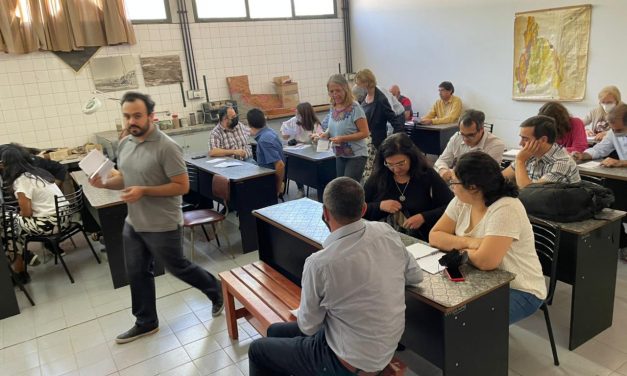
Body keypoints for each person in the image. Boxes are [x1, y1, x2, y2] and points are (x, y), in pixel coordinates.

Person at [248, 177, 423, 375]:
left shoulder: (320, 262)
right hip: (382, 346)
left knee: (257, 350)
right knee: (274, 331)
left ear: (325, 213)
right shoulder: (386, 232)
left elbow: (308, 327)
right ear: (364, 209)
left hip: (348, 362)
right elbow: (416, 276)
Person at [89, 92, 223, 344]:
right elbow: (124, 179)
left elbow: (182, 186)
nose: (131, 122)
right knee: (137, 272)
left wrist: (144, 191)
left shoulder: (167, 147)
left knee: (178, 267)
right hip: (134, 222)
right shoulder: (125, 143)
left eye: (137, 116)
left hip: (162, 223)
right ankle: (146, 321)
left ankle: (216, 290)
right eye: (127, 116)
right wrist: (104, 182)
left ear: (151, 116)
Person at [430, 151, 547, 324]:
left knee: (463, 322)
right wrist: (471, 243)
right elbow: (435, 236)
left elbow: (486, 261)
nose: (452, 186)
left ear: (473, 187)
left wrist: (458, 250)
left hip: (519, 288)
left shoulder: (506, 208)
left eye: (455, 182)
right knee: (436, 307)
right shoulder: (461, 200)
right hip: (481, 279)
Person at [364, 133, 453, 241]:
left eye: (401, 163)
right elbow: (359, 209)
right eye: (390, 164)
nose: (396, 170)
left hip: (422, 238)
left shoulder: (426, 174)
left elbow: (451, 206)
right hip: (383, 237)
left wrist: (424, 217)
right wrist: (379, 206)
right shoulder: (379, 176)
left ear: (411, 157)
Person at [0, 146, 65, 283]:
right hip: (63, 218)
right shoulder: (37, 172)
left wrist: (17, 215)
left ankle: (19, 269)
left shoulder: (22, 180)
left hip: (50, 223)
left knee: (6, 223)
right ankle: (23, 262)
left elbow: (27, 213)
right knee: (13, 227)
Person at [314, 74, 370, 182]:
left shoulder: (355, 107)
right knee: (340, 187)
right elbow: (333, 127)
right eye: (331, 91)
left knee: (348, 188)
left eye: (338, 90)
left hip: (356, 156)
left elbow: (365, 133)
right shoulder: (333, 106)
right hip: (340, 154)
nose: (335, 94)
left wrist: (343, 138)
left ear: (345, 89)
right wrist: (326, 134)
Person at [502, 115, 580, 188]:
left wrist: (520, 161)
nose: (520, 143)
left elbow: (528, 192)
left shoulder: (562, 163)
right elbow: (500, 179)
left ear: (543, 140)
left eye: (525, 139)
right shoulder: (530, 154)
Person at [354, 69, 403, 181]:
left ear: (366, 82)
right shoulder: (365, 96)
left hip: (375, 143)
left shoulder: (381, 99)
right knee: (366, 174)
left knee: (369, 176)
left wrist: (393, 143)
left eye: (358, 83)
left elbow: (396, 123)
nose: (357, 86)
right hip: (365, 142)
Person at [434, 109, 505, 182]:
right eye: (462, 134)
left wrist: (454, 174)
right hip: (455, 183)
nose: (465, 139)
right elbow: (442, 160)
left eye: (470, 135)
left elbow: (485, 175)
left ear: (481, 130)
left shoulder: (496, 145)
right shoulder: (457, 137)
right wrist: (443, 170)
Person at [280, 102, 323, 198]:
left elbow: (320, 138)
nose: (297, 116)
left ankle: (313, 184)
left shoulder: (315, 124)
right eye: (297, 113)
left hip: (312, 150)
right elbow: (284, 133)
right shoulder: (295, 121)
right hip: (299, 149)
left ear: (305, 114)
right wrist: (286, 133)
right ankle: (300, 188)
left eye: (299, 114)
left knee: (308, 166)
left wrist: (315, 138)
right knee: (294, 163)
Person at [247, 108, 286, 197]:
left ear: (249, 124)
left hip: (268, 181)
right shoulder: (269, 132)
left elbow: (280, 165)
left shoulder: (264, 141)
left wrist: (277, 187)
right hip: (267, 177)